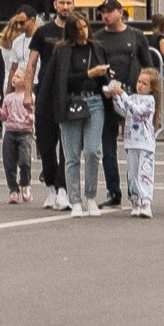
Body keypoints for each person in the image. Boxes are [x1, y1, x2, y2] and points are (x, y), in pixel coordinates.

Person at [89, 1, 149, 209]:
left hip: (133, 96)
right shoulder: (97, 37)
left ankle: (138, 191)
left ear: (120, 12)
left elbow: (149, 67)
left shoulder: (136, 36)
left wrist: (149, 97)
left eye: (109, 12)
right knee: (108, 146)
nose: (105, 16)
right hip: (108, 96)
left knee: (136, 147)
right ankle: (114, 191)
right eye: (102, 12)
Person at [43, 11, 101, 214]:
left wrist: (106, 77)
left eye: (85, 27)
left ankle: (90, 197)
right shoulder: (63, 50)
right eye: (78, 29)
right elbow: (62, 80)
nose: (83, 32)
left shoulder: (95, 47)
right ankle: (74, 199)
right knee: (72, 155)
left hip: (95, 101)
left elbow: (102, 78)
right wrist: (88, 74)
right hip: (71, 102)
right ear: (71, 32)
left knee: (93, 152)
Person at [30, 0, 79, 208]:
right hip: (45, 92)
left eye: (69, 3)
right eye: (62, 2)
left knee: (69, 144)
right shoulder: (43, 32)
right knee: (45, 143)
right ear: (55, 5)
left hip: (70, 93)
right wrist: (26, 93)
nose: (65, 6)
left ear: (74, 5)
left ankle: (63, 189)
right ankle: (51, 187)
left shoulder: (78, 31)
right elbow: (31, 64)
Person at [108, 67, 158, 215]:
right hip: (131, 142)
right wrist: (115, 96)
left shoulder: (149, 101)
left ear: (151, 88)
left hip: (145, 144)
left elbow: (137, 112)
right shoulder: (132, 98)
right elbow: (124, 110)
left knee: (145, 173)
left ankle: (146, 202)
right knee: (132, 174)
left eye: (145, 83)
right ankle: (136, 201)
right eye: (139, 82)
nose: (140, 85)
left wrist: (122, 94)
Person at [0, 52, 36, 201]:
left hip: (25, 132)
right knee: (9, 162)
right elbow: (4, 117)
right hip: (10, 131)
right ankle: (13, 189)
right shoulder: (8, 98)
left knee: (25, 161)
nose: (14, 78)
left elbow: (34, 113)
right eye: (14, 76)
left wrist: (31, 117)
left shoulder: (30, 97)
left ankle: (25, 184)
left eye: (18, 76)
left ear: (26, 80)